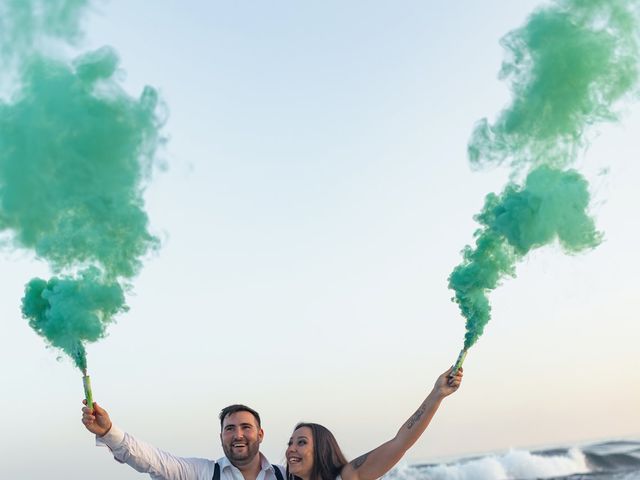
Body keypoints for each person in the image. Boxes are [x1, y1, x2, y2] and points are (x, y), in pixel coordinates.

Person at [285, 367, 463, 480]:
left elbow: (400, 442)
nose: (291, 449)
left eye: (301, 442)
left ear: (322, 450)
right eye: (290, 443)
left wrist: (436, 394)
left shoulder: (348, 475)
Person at [81, 402, 285, 480]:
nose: (237, 435)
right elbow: (157, 462)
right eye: (229, 429)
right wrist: (108, 431)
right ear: (221, 437)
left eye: (246, 427)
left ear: (260, 434)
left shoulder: (286, 476)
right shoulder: (202, 473)